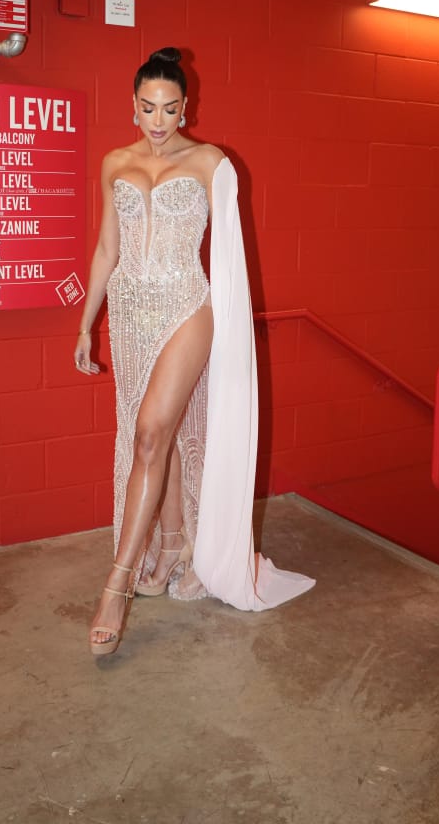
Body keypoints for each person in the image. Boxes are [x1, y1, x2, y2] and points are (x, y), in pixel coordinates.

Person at [74, 47, 315, 657]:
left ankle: (116, 587)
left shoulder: (211, 163)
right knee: (165, 436)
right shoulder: (114, 163)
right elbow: (106, 250)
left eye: (170, 108)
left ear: (187, 107)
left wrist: (233, 336)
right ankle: (173, 546)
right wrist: (85, 325)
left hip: (187, 307)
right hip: (130, 312)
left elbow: (230, 257)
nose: (158, 120)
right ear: (132, 105)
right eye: (148, 107)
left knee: (150, 435)